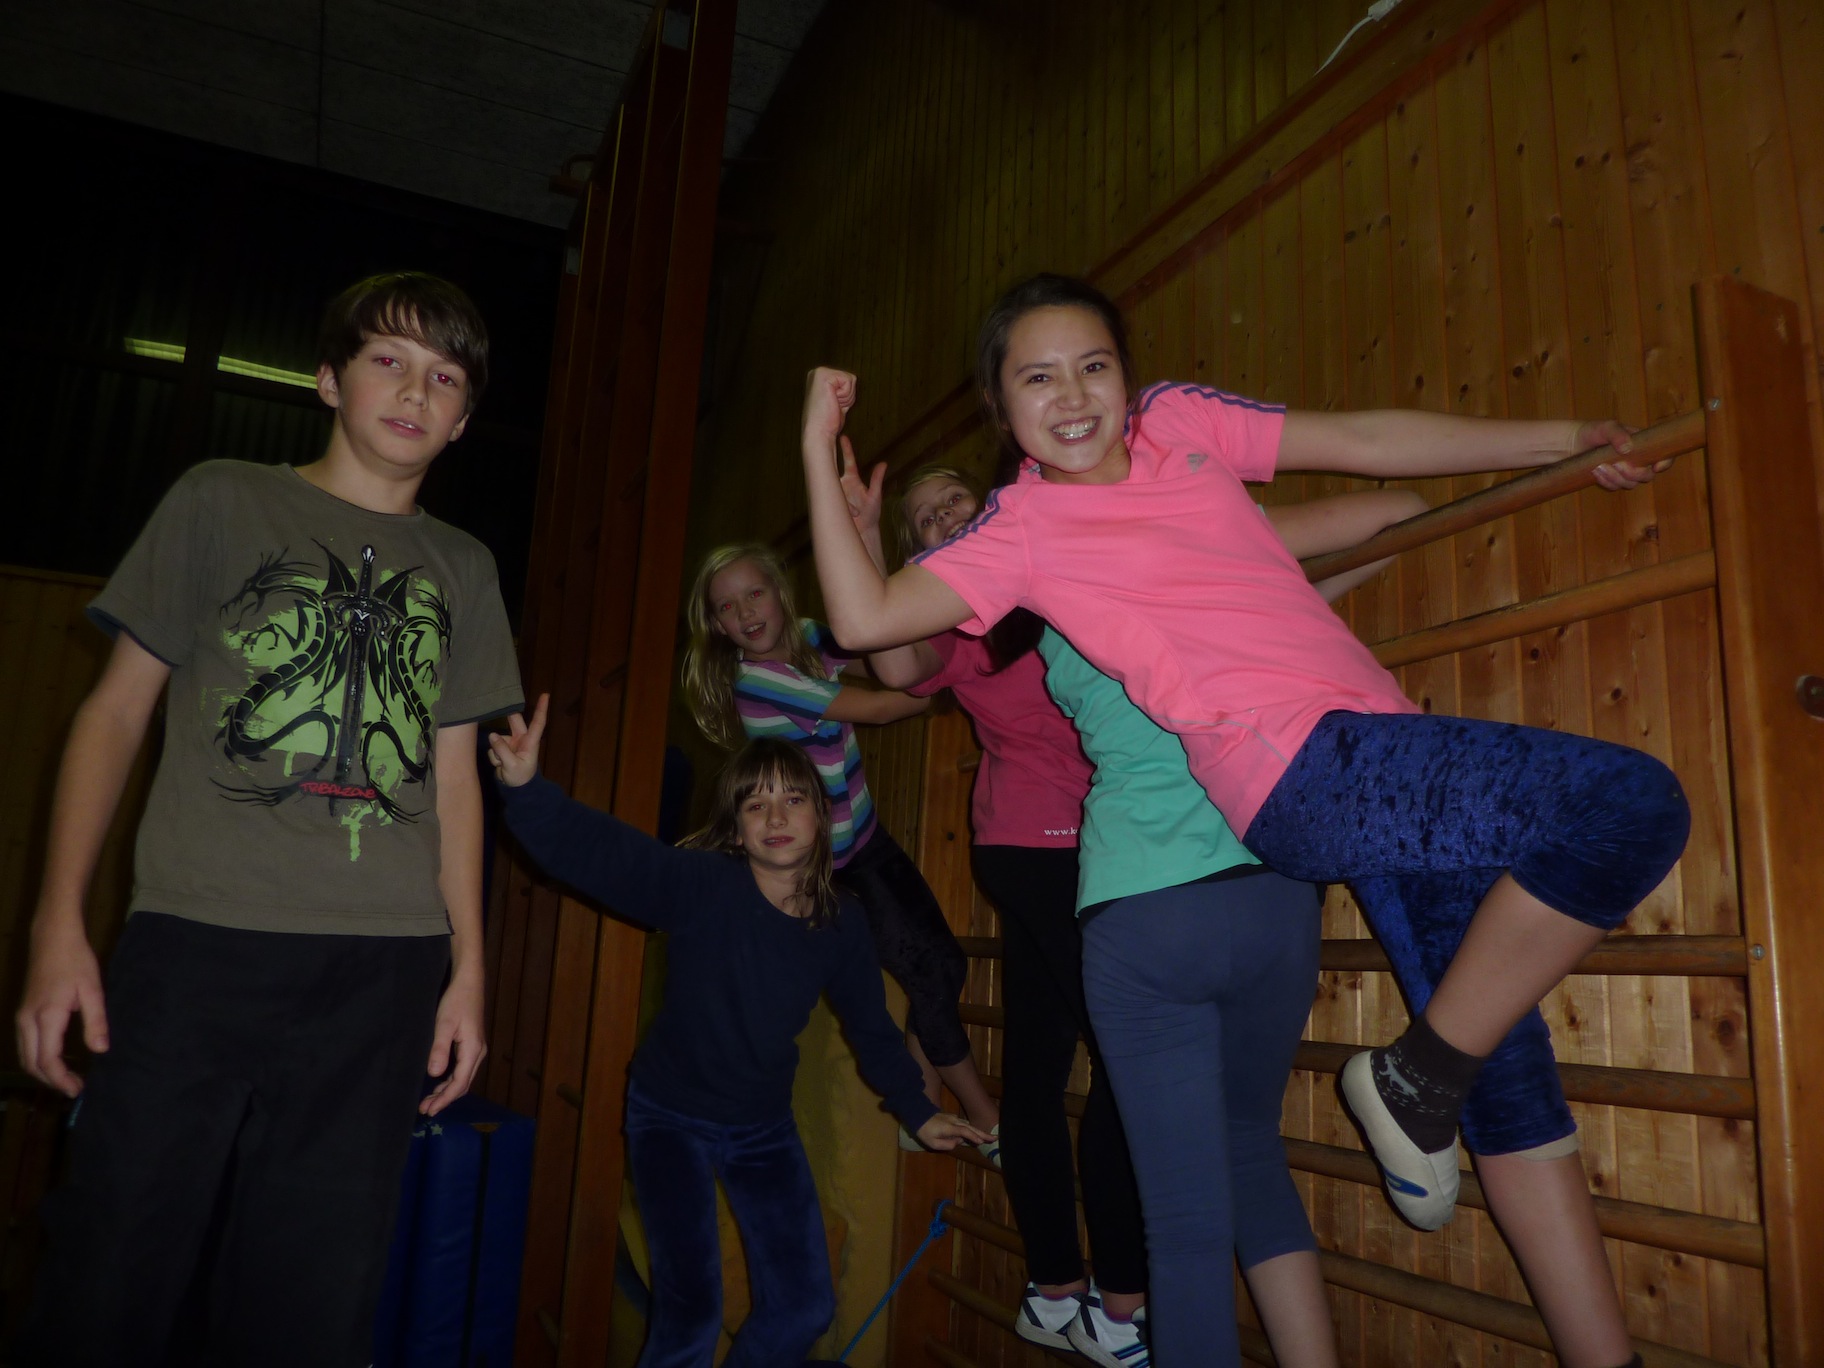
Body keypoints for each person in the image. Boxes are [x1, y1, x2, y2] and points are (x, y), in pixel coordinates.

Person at [797, 273, 1681, 1368]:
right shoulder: (1022, 533)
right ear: (1000, 406)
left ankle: (1586, 1325)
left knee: (1502, 1064)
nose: (1072, 396)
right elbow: (869, 624)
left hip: (1371, 760)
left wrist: (1562, 442)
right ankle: (1414, 1079)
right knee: (1629, 803)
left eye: (1093, 366)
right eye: (1037, 378)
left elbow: (1361, 442)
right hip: (1295, 776)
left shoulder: (1181, 426)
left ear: (1128, 376)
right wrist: (823, 466)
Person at [13, 272, 524, 1366]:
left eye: (446, 378)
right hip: (198, 945)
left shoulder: (465, 568)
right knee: (111, 1270)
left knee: (313, 1301)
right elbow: (112, 714)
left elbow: (455, 781)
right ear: (329, 378)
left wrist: (469, 969)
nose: (416, 391)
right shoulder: (220, 499)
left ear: (463, 420)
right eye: (389, 360)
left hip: (381, 971)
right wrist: (57, 923)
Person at [1042, 488, 1422, 1368]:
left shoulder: (1055, 597)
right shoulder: (1216, 578)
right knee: (1250, 1147)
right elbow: (1362, 541)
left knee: (1184, 1219)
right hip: (1272, 896)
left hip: (1146, 907)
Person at [488, 701, 985, 1367]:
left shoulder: (842, 923)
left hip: (761, 1128)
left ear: (823, 817)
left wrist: (918, 1111)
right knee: (691, 1315)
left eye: (792, 800)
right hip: (669, 1118)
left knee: (804, 1307)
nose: (775, 817)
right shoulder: (703, 885)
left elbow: (872, 1029)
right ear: (736, 825)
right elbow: (607, 855)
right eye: (756, 804)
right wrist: (527, 790)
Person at [847, 458, 1147, 1362]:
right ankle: (1122, 1304)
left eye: (954, 500)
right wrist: (864, 536)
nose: (944, 517)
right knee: (1128, 1054)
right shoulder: (962, 616)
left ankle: (1054, 1291)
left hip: (1081, 845)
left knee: (1042, 1068)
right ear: (921, 553)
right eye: (923, 520)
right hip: (1039, 848)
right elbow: (895, 657)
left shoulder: (1049, 581)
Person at [681, 543, 1001, 1147]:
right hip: (832, 869)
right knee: (928, 975)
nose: (746, 612)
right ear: (717, 626)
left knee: (944, 965)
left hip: (867, 839)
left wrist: (926, 638)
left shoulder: (805, 636)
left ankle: (922, 1105)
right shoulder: (760, 680)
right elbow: (880, 707)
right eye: (727, 607)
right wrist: (956, 672)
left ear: (779, 591)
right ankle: (986, 1119)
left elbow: (879, 645)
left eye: (755, 593)